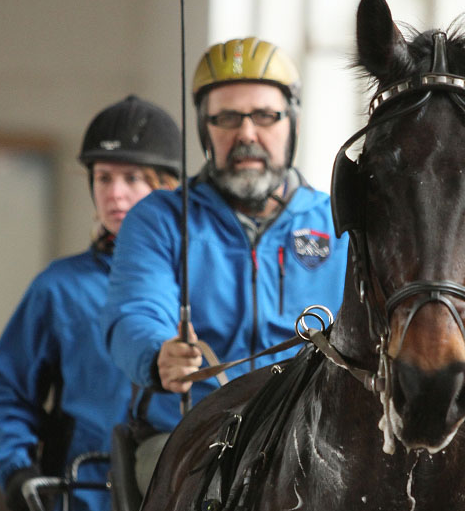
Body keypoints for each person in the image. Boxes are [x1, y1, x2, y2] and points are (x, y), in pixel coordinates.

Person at [101, 37, 348, 452]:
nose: (246, 134)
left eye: (266, 116)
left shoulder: (341, 222)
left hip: (315, 435)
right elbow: (134, 312)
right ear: (204, 129)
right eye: (227, 118)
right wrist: (158, 353)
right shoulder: (159, 219)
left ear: (294, 125)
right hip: (190, 432)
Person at [0, 95, 182, 511]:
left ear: (171, 188)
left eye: (133, 178)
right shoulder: (58, 287)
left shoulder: (201, 282)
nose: (115, 193)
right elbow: (10, 388)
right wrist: (15, 466)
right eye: (104, 178)